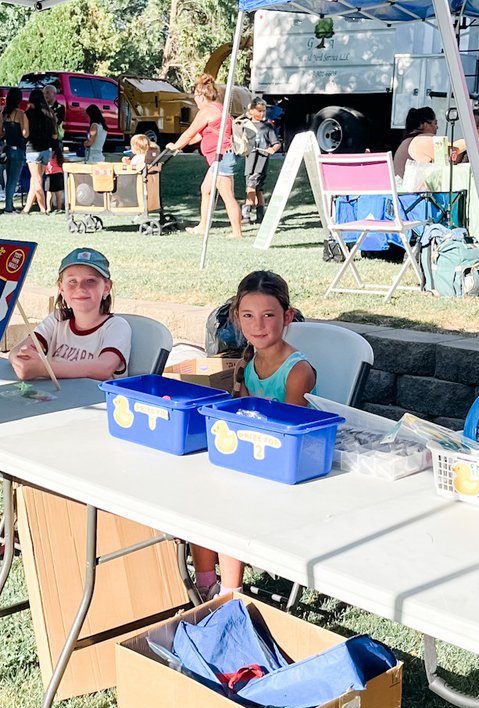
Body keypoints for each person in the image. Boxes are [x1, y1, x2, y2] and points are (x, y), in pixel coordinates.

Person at [0, 248, 131, 570]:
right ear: (61, 288)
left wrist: (44, 366)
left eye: (91, 281)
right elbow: (22, 355)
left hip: (87, 420)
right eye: (72, 281)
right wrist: (26, 363)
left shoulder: (115, 327)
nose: (81, 289)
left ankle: (33, 526)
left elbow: (105, 367)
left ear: (107, 287)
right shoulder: (56, 322)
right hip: (47, 410)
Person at [191, 271, 314, 599]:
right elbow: (243, 416)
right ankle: (205, 584)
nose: (257, 325)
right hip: (256, 455)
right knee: (197, 496)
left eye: (268, 315)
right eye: (248, 315)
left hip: (288, 466)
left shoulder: (298, 371)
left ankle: (230, 593)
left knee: (226, 502)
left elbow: (290, 435)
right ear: (236, 318)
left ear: (287, 317)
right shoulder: (247, 365)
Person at [166, 74, 242, 238]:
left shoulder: (206, 111)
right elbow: (202, 134)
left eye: (195, 96)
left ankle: (237, 232)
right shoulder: (219, 108)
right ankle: (203, 226)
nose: (195, 100)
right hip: (219, 157)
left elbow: (189, 133)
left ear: (201, 96)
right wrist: (183, 146)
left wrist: (176, 145)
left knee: (227, 195)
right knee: (206, 189)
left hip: (222, 156)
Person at [240, 97, 281, 225]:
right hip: (250, 162)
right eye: (259, 111)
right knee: (258, 190)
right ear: (251, 111)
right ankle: (260, 216)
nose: (262, 113)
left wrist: (272, 149)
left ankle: (246, 215)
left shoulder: (267, 126)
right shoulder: (245, 125)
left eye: (263, 111)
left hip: (261, 163)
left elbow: (276, 143)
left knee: (250, 187)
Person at [22, 89, 56, 214]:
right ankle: (26, 209)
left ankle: (43, 208)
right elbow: (55, 134)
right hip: (45, 150)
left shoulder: (28, 114)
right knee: (35, 179)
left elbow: (25, 134)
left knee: (36, 181)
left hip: (32, 149)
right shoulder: (49, 113)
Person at [0, 87, 27, 213]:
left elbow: (0, 132)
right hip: (18, 148)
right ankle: (8, 207)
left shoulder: (3, 114)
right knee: (13, 179)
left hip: (8, 147)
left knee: (8, 178)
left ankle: (9, 204)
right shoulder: (20, 113)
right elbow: (25, 133)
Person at [392, 106, 437, 181]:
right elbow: (449, 157)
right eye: (435, 123)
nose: (437, 127)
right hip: (411, 189)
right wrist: (463, 142)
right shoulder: (422, 139)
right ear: (423, 124)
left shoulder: (407, 140)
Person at [45, 139, 65, 212]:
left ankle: (48, 208)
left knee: (49, 193)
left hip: (49, 174)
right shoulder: (58, 154)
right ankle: (59, 208)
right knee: (58, 193)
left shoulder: (48, 154)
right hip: (58, 174)